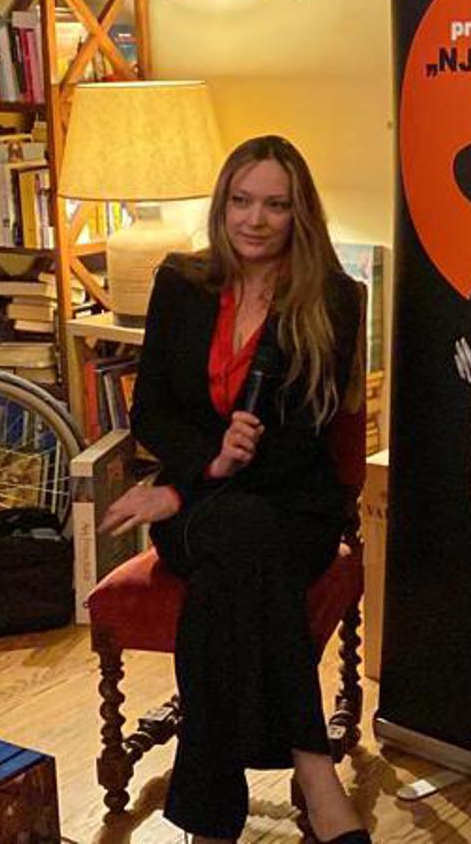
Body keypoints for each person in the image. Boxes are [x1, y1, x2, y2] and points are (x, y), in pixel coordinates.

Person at [99, 135, 368, 844]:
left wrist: (180, 494)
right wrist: (206, 469)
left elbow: (303, 441)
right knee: (241, 537)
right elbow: (151, 412)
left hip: (291, 506)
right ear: (222, 205)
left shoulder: (332, 299)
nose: (255, 219)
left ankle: (210, 818)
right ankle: (315, 771)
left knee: (231, 570)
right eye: (242, 201)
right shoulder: (180, 283)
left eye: (274, 205)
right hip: (205, 505)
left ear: (298, 214)